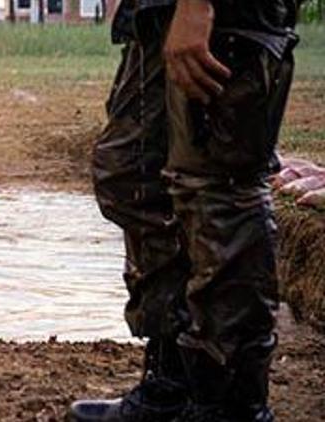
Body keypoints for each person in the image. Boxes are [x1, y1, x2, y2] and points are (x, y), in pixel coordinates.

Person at [68, 0, 299, 421]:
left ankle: (228, 405)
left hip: (225, 16)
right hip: (157, 12)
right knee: (131, 176)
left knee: (217, 192)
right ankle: (172, 382)